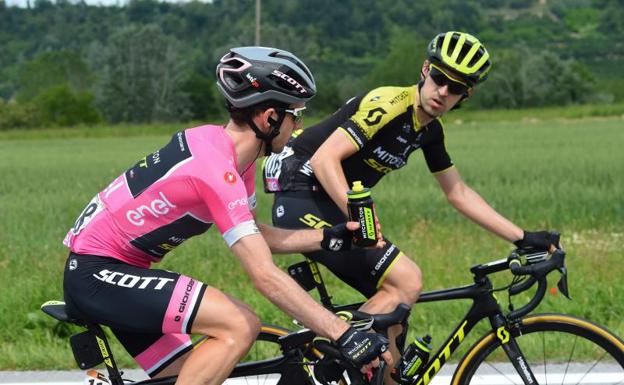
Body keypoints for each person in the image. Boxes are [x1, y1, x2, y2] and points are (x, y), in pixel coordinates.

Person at [62, 47, 391, 385]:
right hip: (98, 274)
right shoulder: (217, 170)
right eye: (295, 114)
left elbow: (256, 236)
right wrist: (344, 333)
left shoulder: (225, 152)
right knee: (239, 325)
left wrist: (329, 237)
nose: (298, 126)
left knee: (195, 374)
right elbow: (264, 275)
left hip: (114, 273)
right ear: (269, 118)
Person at [262, 31, 560, 379]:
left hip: (328, 198)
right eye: (439, 79)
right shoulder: (390, 103)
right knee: (407, 280)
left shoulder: (429, 131)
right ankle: (328, 362)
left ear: (467, 94)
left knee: (394, 330)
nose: (444, 92)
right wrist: (360, 218)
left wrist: (522, 237)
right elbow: (327, 159)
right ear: (424, 69)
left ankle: (353, 360)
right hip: (302, 191)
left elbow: (458, 193)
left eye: (457, 87)